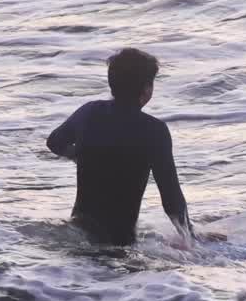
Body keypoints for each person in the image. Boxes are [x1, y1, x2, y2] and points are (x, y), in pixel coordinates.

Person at [47, 47, 219, 246]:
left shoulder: (89, 112)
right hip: (119, 244)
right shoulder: (154, 131)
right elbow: (171, 196)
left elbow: (55, 142)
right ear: (146, 89)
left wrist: (79, 154)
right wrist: (190, 236)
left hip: (78, 235)